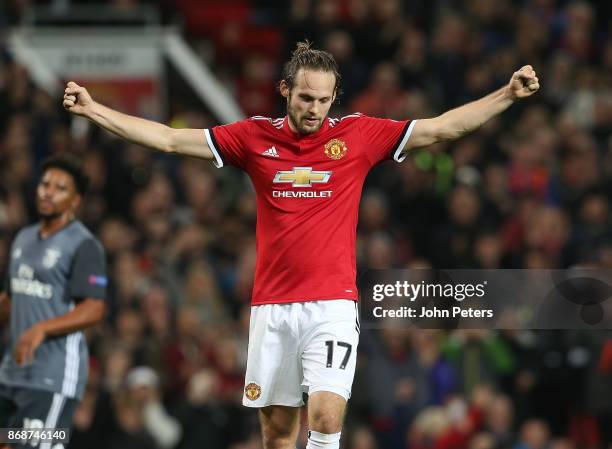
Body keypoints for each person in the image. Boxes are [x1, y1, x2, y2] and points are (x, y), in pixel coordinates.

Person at [62, 41, 539, 449]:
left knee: (327, 418)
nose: (314, 109)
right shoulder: (253, 138)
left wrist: (506, 95)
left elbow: (440, 128)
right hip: (272, 307)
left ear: (335, 98)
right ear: (285, 90)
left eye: (324, 100)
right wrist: (92, 109)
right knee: (276, 434)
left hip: (332, 304)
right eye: (306, 97)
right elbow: (167, 139)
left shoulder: (357, 135)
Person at [0, 155, 107, 449]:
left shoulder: (83, 245)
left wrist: (42, 329)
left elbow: (94, 308)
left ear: (75, 201)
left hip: (52, 378)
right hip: (12, 373)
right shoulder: (22, 238)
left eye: (60, 188)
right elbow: (12, 298)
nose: (48, 192)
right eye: (45, 184)